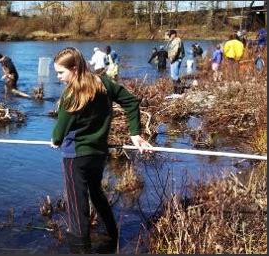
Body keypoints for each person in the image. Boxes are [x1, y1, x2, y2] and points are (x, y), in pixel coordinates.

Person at [51, 47, 152, 253]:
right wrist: (134, 133)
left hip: (75, 156)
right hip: (98, 153)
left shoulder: (71, 95)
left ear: (75, 69)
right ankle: (111, 234)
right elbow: (131, 102)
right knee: (96, 193)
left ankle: (80, 248)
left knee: (76, 202)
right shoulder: (104, 83)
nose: (58, 77)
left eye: (61, 73)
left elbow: (59, 132)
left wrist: (55, 141)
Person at [167, 29, 185, 94]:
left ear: (174, 34)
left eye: (170, 35)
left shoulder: (177, 40)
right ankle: (176, 91)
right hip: (174, 59)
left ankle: (178, 92)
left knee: (175, 76)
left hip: (176, 59)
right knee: (173, 75)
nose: (169, 36)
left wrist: (172, 59)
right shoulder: (174, 40)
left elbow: (176, 51)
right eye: (169, 35)